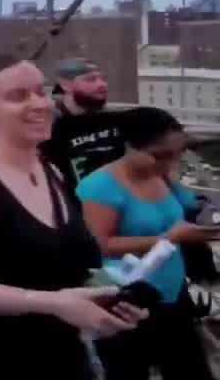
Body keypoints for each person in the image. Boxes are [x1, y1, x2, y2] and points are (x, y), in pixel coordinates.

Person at [0, 54, 146, 380]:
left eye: (40, 91)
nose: (39, 103)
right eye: (18, 96)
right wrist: (50, 303)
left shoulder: (50, 171)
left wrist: (107, 301)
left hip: (63, 360)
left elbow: (57, 274)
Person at [77, 106, 215, 379]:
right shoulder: (99, 187)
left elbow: (191, 206)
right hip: (128, 299)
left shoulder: (160, 174)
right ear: (131, 146)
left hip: (174, 294)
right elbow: (100, 245)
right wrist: (167, 239)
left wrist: (208, 222)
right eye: (161, 155)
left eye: (177, 154)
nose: (169, 163)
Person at [41, 58, 124, 191]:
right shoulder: (49, 124)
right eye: (91, 79)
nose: (102, 84)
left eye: (103, 79)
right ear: (66, 85)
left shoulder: (111, 120)